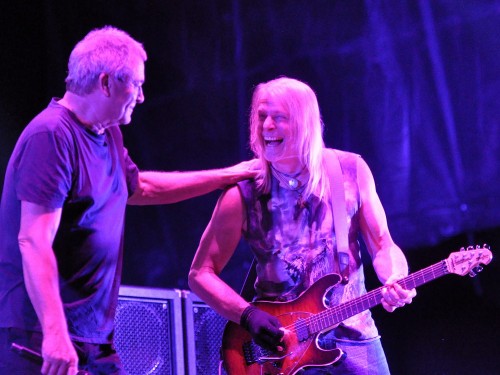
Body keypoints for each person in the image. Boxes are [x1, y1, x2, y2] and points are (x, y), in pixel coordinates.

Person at [0, 26, 256, 375]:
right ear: (105, 83)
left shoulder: (108, 134)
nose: (142, 95)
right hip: (40, 336)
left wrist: (227, 176)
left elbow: (140, 188)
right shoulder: (52, 136)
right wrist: (55, 333)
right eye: (135, 84)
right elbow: (33, 238)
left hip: (92, 338)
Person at [188, 76, 417, 374]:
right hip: (279, 347)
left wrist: (395, 277)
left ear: (305, 122)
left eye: (278, 117)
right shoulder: (243, 192)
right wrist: (248, 316)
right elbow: (200, 273)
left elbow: (383, 243)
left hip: (354, 335)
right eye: (261, 117)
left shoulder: (350, 171)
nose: (266, 126)